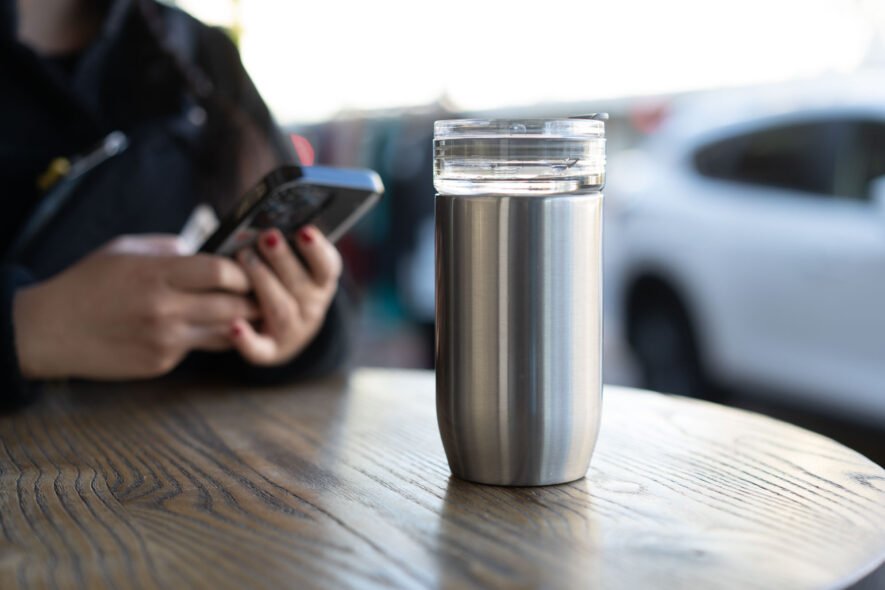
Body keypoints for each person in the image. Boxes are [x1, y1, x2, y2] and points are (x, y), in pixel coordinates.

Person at [0, 0, 351, 408]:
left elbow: (340, 313)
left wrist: (294, 327)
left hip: (202, 455)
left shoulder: (202, 52)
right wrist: (31, 327)